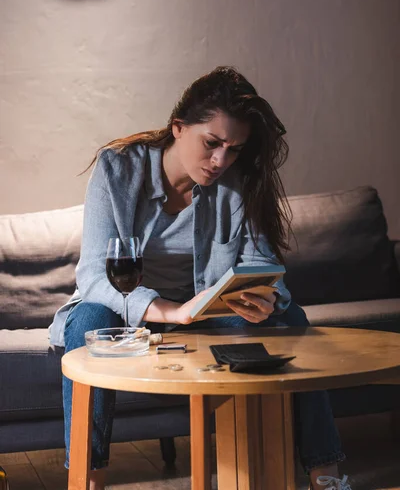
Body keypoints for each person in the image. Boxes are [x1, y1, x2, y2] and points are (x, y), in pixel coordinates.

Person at [50, 66, 352, 490]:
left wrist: (268, 298)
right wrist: (170, 311)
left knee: (290, 319)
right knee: (86, 323)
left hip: (203, 313)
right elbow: (96, 276)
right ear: (178, 127)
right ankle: (87, 481)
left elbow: (264, 265)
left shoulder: (236, 182)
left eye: (233, 150)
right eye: (212, 144)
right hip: (131, 308)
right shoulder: (117, 168)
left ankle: (327, 477)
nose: (220, 161)